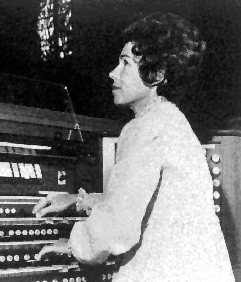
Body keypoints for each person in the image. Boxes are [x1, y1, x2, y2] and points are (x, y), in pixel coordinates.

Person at [32, 12, 235, 282]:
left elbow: (118, 226)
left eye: (125, 63)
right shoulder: (169, 120)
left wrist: (74, 246)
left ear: (158, 74)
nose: (112, 72)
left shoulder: (145, 127)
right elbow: (143, 201)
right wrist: (79, 202)